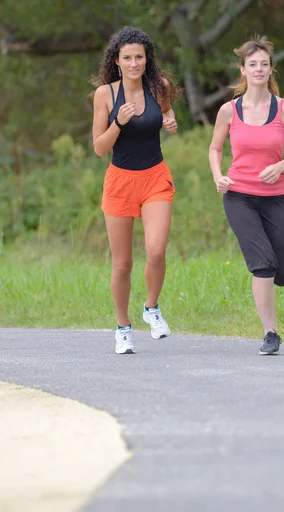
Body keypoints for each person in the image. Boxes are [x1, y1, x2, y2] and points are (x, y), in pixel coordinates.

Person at [209, 36, 284, 355]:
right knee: (263, 263)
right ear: (243, 69)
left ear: (271, 68)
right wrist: (218, 176)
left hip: (276, 196)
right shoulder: (229, 110)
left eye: (264, 64)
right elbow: (215, 148)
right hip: (239, 196)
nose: (259, 69)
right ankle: (270, 333)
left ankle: (278, 276)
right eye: (253, 64)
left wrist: (280, 166)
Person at [92, 26, 178, 354]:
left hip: (155, 176)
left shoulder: (160, 87)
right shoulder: (106, 95)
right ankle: (123, 327)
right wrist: (118, 123)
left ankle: (151, 308)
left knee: (156, 250)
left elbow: (167, 113)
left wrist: (170, 121)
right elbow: (99, 147)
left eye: (139, 57)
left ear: (147, 59)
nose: (133, 63)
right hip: (120, 181)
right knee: (122, 264)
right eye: (127, 58)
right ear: (117, 60)